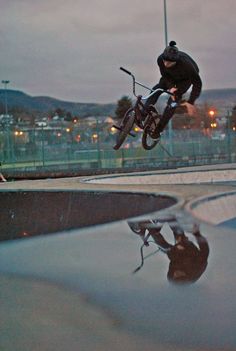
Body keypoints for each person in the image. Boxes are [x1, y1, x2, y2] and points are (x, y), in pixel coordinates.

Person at [143, 41, 202, 138]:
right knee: (157, 88)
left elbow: (197, 83)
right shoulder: (160, 59)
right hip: (169, 77)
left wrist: (191, 101)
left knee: (172, 104)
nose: (166, 64)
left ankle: (158, 130)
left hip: (184, 80)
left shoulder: (187, 65)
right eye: (165, 61)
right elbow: (164, 75)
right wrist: (171, 87)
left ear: (175, 61)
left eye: (169, 62)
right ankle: (144, 111)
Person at [129, 218, 209, 284]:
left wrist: (152, 234)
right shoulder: (197, 267)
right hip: (191, 252)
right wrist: (197, 233)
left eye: (175, 273)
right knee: (179, 235)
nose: (176, 272)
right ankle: (169, 218)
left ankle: (145, 228)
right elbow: (205, 249)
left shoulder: (171, 275)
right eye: (179, 273)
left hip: (177, 255)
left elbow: (172, 257)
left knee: (164, 246)